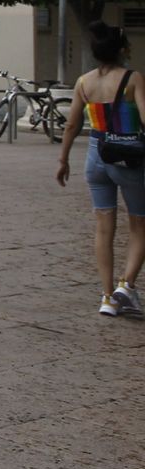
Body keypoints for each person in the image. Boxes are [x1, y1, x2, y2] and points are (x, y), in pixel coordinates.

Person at [58, 21, 145, 317]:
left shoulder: (84, 82)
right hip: (129, 158)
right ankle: (126, 285)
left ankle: (107, 297)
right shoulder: (133, 79)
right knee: (139, 224)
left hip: (96, 157)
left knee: (103, 227)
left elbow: (72, 124)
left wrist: (63, 160)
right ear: (122, 50)